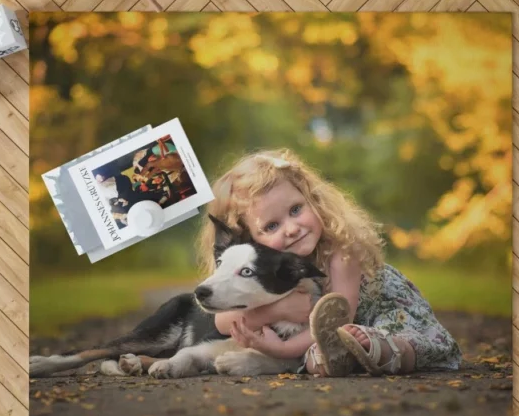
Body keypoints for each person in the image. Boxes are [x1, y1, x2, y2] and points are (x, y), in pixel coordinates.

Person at [197, 149, 462, 377]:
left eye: (296, 210)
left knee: (396, 341)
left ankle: (382, 351)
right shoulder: (268, 267)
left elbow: (338, 318)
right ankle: (340, 359)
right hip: (325, 337)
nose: (291, 228)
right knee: (316, 357)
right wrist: (275, 312)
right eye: (272, 225)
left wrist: (282, 350)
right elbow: (222, 321)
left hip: (381, 318)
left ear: (312, 200)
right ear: (249, 239)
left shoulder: (342, 250)